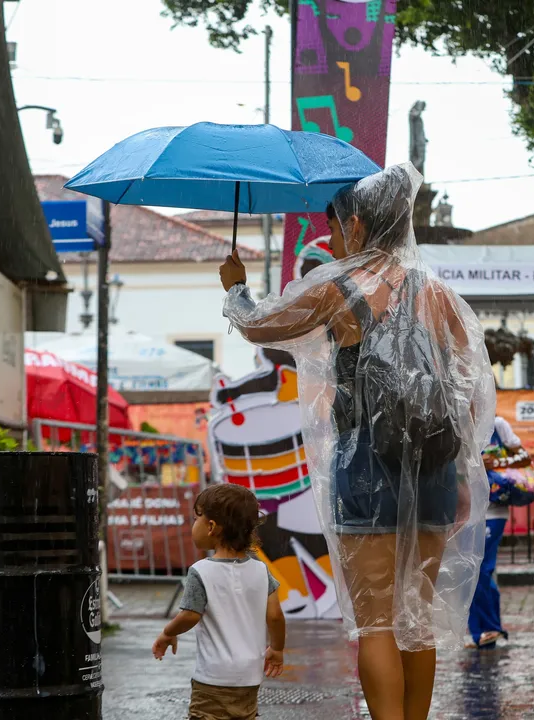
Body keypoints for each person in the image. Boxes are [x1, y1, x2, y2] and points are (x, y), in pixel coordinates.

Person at [217, 163, 494, 720]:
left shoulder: (341, 288)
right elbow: (468, 392)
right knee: (416, 620)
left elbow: (260, 325)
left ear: (360, 227)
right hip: (436, 469)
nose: (334, 241)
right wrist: (462, 474)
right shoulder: (438, 294)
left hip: (367, 465)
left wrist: (236, 288)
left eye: (337, 230)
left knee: (376, 623)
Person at [152, 483, 286, 720]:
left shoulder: (200, 571)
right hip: (250, 676)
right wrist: (276, 649)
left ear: (211, 527)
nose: (193, 525)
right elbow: (275, 616)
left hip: (213, 677)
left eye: (196, 518)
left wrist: (167, 633)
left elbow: (190, 615)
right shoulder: (261, 570)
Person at [467, 416, 531, 649]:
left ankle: (490, 628)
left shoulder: (498, 425)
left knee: (481, 569)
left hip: (494, 511)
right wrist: (474, 461)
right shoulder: (458, 423)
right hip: (466, 509)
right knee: (470, 571)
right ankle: (479, 633)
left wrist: (498, 462)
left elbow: (524, 458)